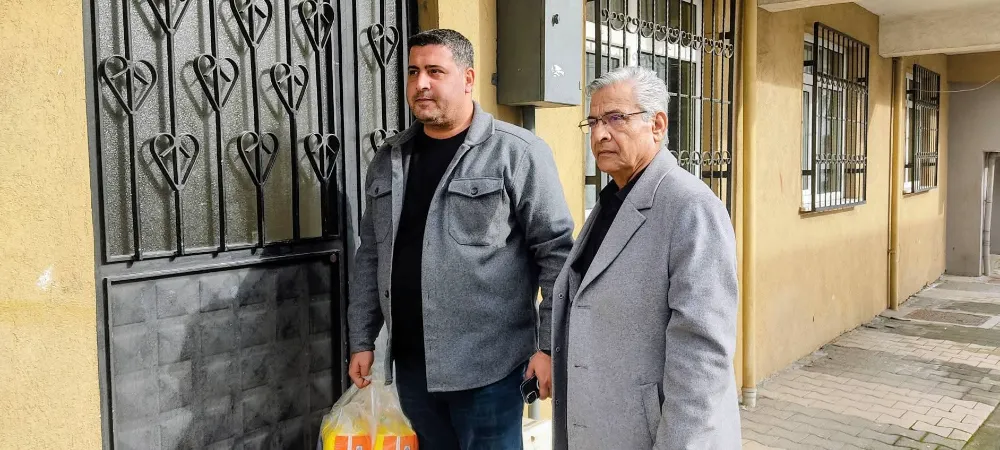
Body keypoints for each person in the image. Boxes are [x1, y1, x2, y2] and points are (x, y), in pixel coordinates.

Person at [346, 28, 574, 450]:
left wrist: (548, 347)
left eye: (435, 71)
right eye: (413, 72)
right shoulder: (389, 159)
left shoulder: (516, 152)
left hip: (490, 371)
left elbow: (556, 254)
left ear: (468, 79)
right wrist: (362, 339)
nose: (421, 83)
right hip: (413, 368)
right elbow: (372, 255)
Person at [542, 66, 742, 450]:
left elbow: (702, 352)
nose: (600, 134)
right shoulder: (613, 200)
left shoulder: (690, 207)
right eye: (593, 122)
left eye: (616, 118)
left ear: (657, 125)